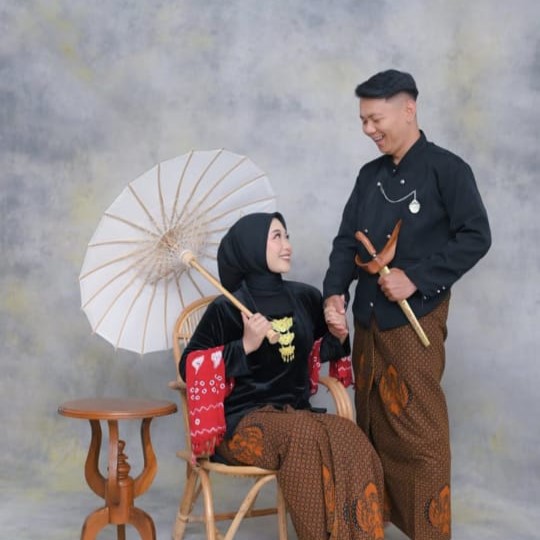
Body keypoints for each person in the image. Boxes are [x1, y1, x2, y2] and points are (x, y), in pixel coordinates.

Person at [322, 69, 491, 540]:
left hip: (415, 325)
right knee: (370, 429)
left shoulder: (448, 170)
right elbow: (345, 242)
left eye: (375, 119)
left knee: (420, 437)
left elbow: (477, 236)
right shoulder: (368, 176)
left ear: (408, 109)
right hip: (367, 325)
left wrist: (415, 278)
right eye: (362, 120)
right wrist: (335, 293)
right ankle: (369, 529)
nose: (368, 129)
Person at [180, 212, 385, 540]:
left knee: (349, 434)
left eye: (286, 236)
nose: (287, 245)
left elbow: (317, 351)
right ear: (251, 247)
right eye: (276, 237)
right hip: (242, 425)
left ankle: (360, 535)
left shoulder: (304, 298)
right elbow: (189, 367)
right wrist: (245, 345)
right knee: (302, 435)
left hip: (296, 414)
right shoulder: (228, 308)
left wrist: (337, 334)